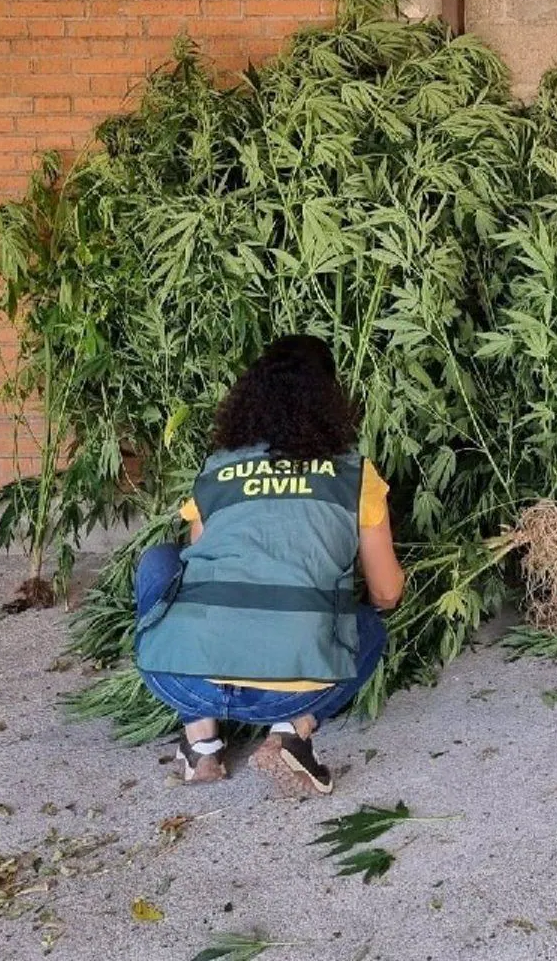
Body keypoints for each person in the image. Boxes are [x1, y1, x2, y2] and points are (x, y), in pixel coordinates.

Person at [133, 334, 405, 793]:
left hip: (187, 683)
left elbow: (198, 573)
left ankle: (202, 744)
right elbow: (386, 593)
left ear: (250, 400)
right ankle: (291, 731)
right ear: (330, 401)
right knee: (369, 625)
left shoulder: (218, 469)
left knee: (161, 562)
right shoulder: (354, 474)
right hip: (298, 687)